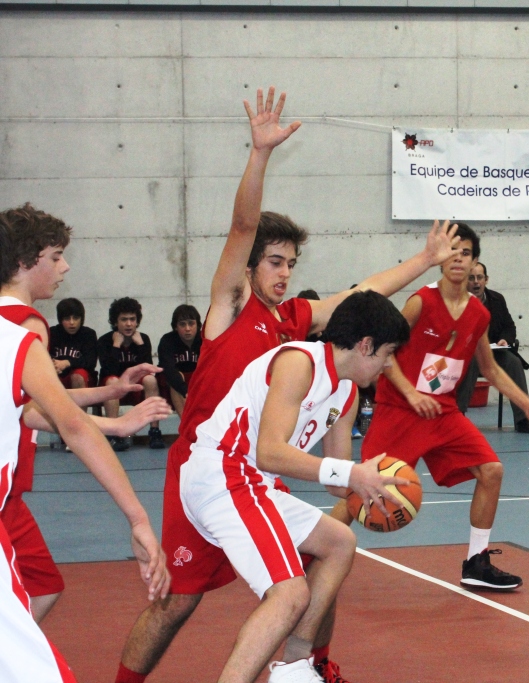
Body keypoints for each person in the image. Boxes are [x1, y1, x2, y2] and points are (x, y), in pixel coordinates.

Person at [115, 85, 463, 683]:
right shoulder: (230, 309)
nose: (283, 273)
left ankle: (308, 667)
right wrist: (260, 154)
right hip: (208, 466)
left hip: (258, 470)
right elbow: (244, 223)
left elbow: (362, 296)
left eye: (290, 265)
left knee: (329, 547)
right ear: (250, 266)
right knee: (179, 601)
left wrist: (424, 261)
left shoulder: (297, 325)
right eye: (274, 262)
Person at [179, 292, 409, 683]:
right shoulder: (299, 363)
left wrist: (373, 490)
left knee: (339, 542)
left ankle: (294, 668)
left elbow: (337, 482)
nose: (390, 364)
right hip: (223, 473)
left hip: (253, 482)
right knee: (289, 594)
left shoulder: (347, 391)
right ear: (365, 344)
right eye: (388, 353)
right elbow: (269, 452)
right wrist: (352, 474)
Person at [0, 217, 170, 683]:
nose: (65, 266)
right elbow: (63, 422)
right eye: (55, 257)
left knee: (43, 591)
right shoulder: (23, 326)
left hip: (7, 502)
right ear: (23, 261)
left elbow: (31, 407)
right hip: (4, 499)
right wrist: (138, 517)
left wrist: (107, 397)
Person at [357, 224, 529, 592]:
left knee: (492, 470)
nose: (457, 259)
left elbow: (491, 369)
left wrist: (528, 405)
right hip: (399, 410)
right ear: (440, 259)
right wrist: (411, 394)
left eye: (465, 252)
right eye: (451, 251)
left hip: (443, 413)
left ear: (474, 260)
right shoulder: (420, 301)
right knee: (362, 491)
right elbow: (385, 354)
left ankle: (476, 562)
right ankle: (310, 554)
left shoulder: (479, 314)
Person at [455, 259, 529, 433]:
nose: (476, 282)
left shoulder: (497, 299)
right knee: (472, 361)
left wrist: (505, 340)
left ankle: (523, 419)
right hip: (465, 357)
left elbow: (509, 326)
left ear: (486, 280)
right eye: (471, 278)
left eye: (479, 277)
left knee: (513, 362)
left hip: (493, 354)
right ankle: (458, 417)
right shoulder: (456, 301)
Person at [98, 297, 163, 450]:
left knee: (150, 380)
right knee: (112, 381)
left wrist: (140, 345)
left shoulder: (143, 339)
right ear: (115, 322)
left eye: (132, 319)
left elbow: (147, 369)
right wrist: (116, 345)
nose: (128, 324)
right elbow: (108, 370)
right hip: (113, 389)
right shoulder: (105, 341)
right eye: (124, 320)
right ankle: (114, 433)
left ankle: (154, 431)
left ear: (137, 321)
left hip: (135, 389)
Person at [157, 305, 202, 416]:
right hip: (174, 383)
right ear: (175, 327)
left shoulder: (205, 340)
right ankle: (185, 425)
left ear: (198, 325)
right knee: (177, 376)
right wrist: (184, 390)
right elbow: (168, 369)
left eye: (191, 323)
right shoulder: (167, 340)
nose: (187, 328)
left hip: (197, 380)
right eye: (182, 324)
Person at [49, 297, 97, 390]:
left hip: (83, 379)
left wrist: (67, 362)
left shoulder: (88, 334)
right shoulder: (52, 332)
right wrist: (54, 365)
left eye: (76, 318)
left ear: (81, 319)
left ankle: (78, 405)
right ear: (60, 320)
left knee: (78, 375)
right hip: (57, 375)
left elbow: (90, 362)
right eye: (67, 318)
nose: (72, 322)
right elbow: (44, 356)